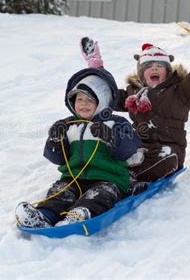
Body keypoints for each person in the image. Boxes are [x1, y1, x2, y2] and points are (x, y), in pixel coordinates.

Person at [80, 32, 190, 183]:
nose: (154, 69)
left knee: (168, 160)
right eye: (148, 66)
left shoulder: (180, 92)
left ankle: (126, 177)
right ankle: (102, 170)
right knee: (110, 143)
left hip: (167, 151)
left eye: (159, 66)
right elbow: (108, 95)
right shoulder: (133, 93)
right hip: (136, 149)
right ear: (142, 74)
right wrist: (96, 66)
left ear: (167, 72)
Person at [15, 67, 141, 228]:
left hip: (109, 179)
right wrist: (55, 140)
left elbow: (129, 149)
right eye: (79, 99)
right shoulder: (68, 125)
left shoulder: (115, 123)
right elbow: (58, 158)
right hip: (73, 178)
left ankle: (79, 215)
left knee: (99, 196)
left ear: (102, 100)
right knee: (60, 192)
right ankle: (43, 216)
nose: (83, 104)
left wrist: (111, 138)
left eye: (89, 100)